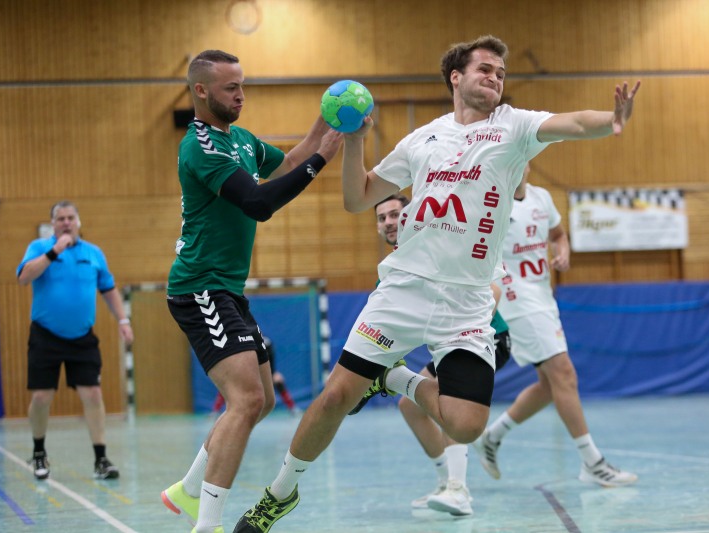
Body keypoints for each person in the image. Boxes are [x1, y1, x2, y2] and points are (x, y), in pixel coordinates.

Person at [233, 35, 640, 532]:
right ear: (456, 77)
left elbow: (572, 123)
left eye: (500, 73)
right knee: (336, 396)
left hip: (467, 302)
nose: (495, 78)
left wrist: (611, 119)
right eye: (485, 69)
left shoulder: (514, 126)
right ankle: (278, 494)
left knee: (466, 426)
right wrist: (357, 140)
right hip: (406, 287)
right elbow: (358, 198)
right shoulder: (422, 140)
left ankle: (394, 378)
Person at [159, 50, 342, 533]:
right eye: (230, 87)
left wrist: (326, 123)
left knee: (261, 399)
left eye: (242, 85)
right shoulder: (201, 147)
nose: (241, 95)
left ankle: (187, 490)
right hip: (199, 289)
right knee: (244, 400)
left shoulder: (240, 139)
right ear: (201, 91)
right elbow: (259, 202)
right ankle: (207, 524)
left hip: (227, 290)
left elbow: (292, 160)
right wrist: (322, 160)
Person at [471, 164, 637, 487]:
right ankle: (592, 462)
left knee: (550, 386)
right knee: (564, 374)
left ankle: (492, 437)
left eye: (523, 157)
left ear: (528, 163)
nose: (518, 163)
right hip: (516, 299)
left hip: (543, 296)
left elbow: (559, 235)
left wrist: (563, 252)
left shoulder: (542, 198)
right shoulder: (493, 202)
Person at [371, 194, 512, 516]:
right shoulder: (392, 269)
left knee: (450, 399)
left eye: (395, 214)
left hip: (489, 338)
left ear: (412, 216)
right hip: (452, 343)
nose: (389, 222)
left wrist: (463, 333)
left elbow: (494, 290)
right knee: (410, 405)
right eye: (382, 218)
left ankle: (458, 490)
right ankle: (445, 481)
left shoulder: (439, 245)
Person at [17, 200, 133, 481]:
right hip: (45, 334)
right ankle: (39, 452)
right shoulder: (39, 247)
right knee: (41, 397)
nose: (66, 222)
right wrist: (54, 251)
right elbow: (23, 277)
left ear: (78, 222)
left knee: (93, 394)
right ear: (53, 224)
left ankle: (101, 459)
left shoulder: (93, 253)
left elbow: (108, 289)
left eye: (71, 218)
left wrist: (122, 320)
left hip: (82, 337)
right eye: (61, 218)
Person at [212, 336, 301, 416]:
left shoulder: (266, 343)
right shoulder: (240, 344)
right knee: (230, 383)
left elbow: (270, 362)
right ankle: (216, 410)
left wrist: (273, 374)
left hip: (263, 374)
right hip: (247, 374)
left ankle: (292, 408)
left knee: (278, 381)